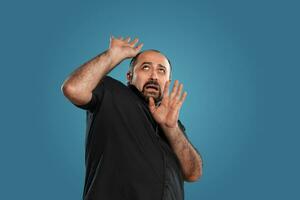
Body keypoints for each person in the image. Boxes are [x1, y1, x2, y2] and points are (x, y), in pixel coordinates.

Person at [61, 36, 203, 200]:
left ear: (167, 82)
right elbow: (73, 88)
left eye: (161, 71)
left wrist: (171, 129)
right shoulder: (111, 92)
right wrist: (112, 56)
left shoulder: (173, 122)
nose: (154, 76)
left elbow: (193, 173)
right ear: (129, 76)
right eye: (146, 68)